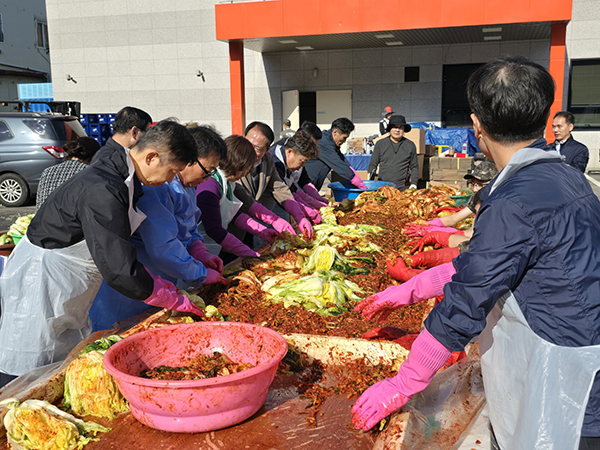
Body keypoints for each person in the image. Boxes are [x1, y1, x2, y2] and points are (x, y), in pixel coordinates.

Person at [352, 56, 600, 450]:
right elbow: (480, 268)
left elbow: (465, 303)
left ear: (476, 125)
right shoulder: (567, 177)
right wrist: (408, 291)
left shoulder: (513, 201)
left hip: (567, 389)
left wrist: (403, 383)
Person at [0, 120, 203, 387]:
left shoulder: (121, 165)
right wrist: (165, 295)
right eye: (171, 171)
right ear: (151, 157)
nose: (169, 180)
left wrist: (158, 282)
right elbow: (118, 265)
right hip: (45, 276)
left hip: (73, 273)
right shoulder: (105, 187)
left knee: (62, 356)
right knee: (32, 357)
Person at [88, 124, 228, 332]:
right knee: (117, 335)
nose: (207, 178)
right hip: (133, 281)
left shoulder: (186, 186)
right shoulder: (156, 185)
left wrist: (201, 252)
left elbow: (187, 230)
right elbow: (163, 246)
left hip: (162, 279)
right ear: (188, 160)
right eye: (206, 170)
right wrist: (200, 274)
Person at [197, 135, 282, 261]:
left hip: (212, 250)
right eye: (245, 169)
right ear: (237, 163)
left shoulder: (228, 182)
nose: (245, 174)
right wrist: (247, 252)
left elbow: (233, 214)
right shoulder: (211, 183)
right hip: (198, 250)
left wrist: (262, 231)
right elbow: (214, 229)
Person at [234, 121, 315, 239]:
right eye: (247, 143)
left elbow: (279, 187)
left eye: (257, 148)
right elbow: (243, 197)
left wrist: (299, 215)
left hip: (252, 224)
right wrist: (275, 220)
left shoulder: (268, 160)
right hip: (232, 226)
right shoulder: (232, 160)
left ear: (267, 149)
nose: (249, 150)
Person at [36, 137, 101, 209]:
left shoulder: (47, 172)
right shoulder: (88, 173)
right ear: (94, 156)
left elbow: (39, 205)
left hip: (43, 218)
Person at [304, 117, 367, 191]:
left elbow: (343, 160)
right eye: (344, 138)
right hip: (306, 184)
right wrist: (361, 186)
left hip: (313, 185)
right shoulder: (324, 143)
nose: (344, 141)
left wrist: (353, 172)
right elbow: (339, 165)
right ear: (335, 132)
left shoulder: (332, 143)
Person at [368, 115, 419, 190]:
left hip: (403, 187)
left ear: (404, 129)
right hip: (383, 187)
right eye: (394, 127)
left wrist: (414, 183)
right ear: (390, 129)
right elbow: (373, 165)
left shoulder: (410, 145)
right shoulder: (380, 144)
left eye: (400, 127)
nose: (397, 130)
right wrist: (371, 182)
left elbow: (414, 167)